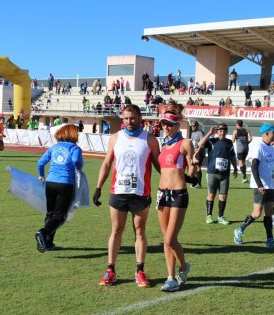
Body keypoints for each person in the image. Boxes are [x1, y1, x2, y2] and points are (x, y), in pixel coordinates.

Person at [92, 104, 160, 287]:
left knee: (140, 231)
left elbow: (158, 165)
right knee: (116, 230)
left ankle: (140, 271)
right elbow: (107, 164)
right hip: (118, 192)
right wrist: (99, 187)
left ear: (139, 118)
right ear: (122, 119)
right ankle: (110, 270)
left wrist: (171, 182)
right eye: (126, 118)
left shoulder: (151, 139)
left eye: (132, 118)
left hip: (140, 193)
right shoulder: (115, 138)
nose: (129, 122)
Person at [156, 106, 196, 292]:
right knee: (166, 239)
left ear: (177, 125)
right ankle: (172, 277)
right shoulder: (163, 146)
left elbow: (192, 172)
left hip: (179, 194)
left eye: (170, 124)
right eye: (164, 124)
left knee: (171, 239)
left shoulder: (185, 143)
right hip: (162, 194)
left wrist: (194, 165)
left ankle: (183, 267)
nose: (166, 127)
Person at [234, 123, 274, 249]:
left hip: (270, 185)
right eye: (273, 132)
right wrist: (259, 184)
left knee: (268, 214)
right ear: (267, 133)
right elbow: (254, 167)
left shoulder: (271, 148)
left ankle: (270, 240)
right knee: (257, 213)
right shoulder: (259, 147)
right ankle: (239, 230)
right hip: (261, 186)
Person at [34, 124, 84, 252]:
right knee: (60, 216)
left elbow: (40, 163)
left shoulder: (54, 147)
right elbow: (76, 162)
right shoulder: (74, 148)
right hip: (65, 183)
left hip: (50, 182)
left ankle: (48, 243)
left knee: (50, 214)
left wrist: (41, 175)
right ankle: (43, 232)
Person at [197, 123, 238, 225]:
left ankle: (220, 216)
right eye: (220, 131)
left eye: (224, 131)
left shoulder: (229, 143)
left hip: (225, 174)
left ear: (226, 132)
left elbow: (232, 156)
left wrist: (236, 168)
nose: (222, 132)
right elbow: (200, 144)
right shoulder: (212, 141)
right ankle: (209, 216)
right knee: (211, 195)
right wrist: (209, 133)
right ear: (217, 131)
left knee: (223, 196)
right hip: (212, 173)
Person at [189, 121, 204, 188]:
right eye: (192, 126)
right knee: (194, 167)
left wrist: (198, 150)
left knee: (198, 167)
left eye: (194, 126)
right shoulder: (192, 133)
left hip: (199, 152)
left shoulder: (200, 132)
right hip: (194, 152)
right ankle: (195, 183)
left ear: (197, 126)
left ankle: (199, 184)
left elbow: (202, 143)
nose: (192, 127)